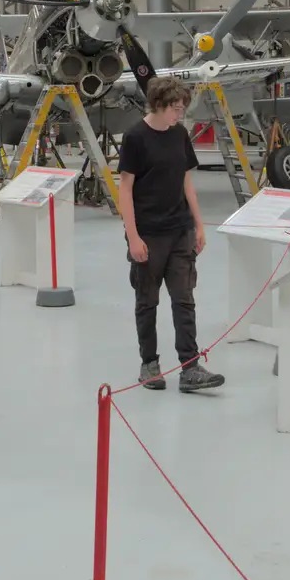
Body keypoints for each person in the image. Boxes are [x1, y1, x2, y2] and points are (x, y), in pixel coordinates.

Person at [117, 77, 225, 394]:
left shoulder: (179, 134)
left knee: (184, 299)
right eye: (175, 108)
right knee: (147, 302)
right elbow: (125, 189)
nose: (179, 114)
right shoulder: (136, 137)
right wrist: (133, 236)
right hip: (148, 233)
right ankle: (149, 364)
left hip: (180, 231)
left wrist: (199, 225)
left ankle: (190, 367)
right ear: (159, 105)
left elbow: (186, 182)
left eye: (182, 108)